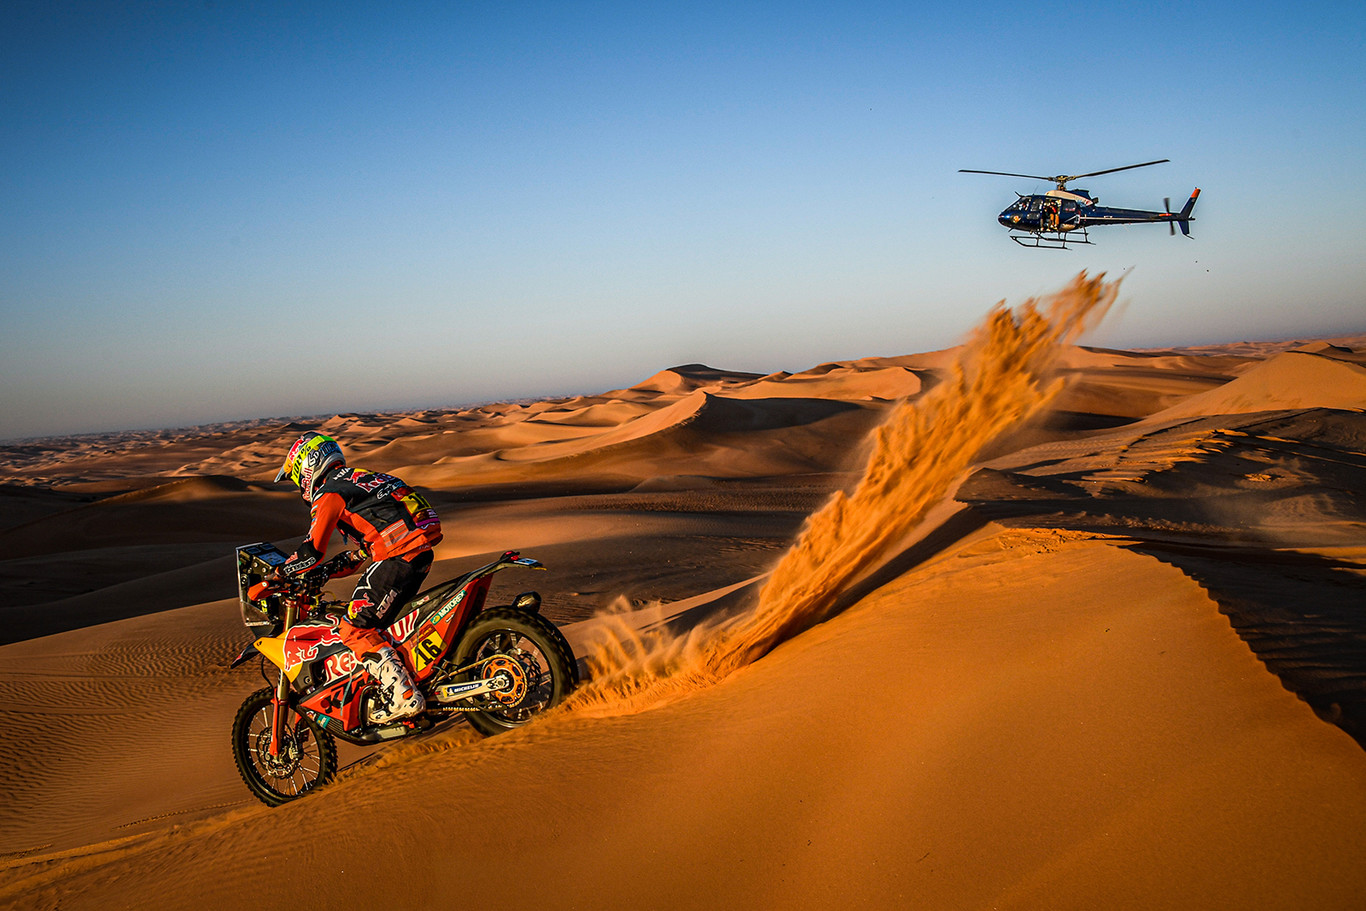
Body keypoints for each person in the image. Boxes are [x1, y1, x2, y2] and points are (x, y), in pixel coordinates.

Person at [274, 431, 443, 723]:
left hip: (397, 555)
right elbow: (369, 540)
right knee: (387, 626)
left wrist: (276, 575)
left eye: (296, 478)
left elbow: (310, 552)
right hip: (416, 551)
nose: (299, 486)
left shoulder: (329, 493)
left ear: (307, 467)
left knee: (354, 628)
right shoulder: (361, 478)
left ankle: (404, 697)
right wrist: (329, 570)